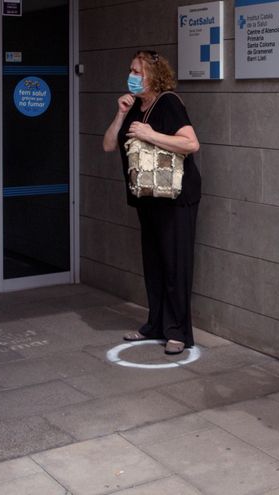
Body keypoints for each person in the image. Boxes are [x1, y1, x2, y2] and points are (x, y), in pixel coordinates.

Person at [102, 50, 201, 355]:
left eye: (137, 71)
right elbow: (108, 145)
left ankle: (178, 332)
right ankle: (155, 324)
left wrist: (150, 133)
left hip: (175, 197)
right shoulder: (133, 107)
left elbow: (191, 143)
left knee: (175, 265)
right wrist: (120, 113)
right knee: (155, 263)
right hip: (147, 198)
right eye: (131, 70)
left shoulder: (168, 102)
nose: (131, 76)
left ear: (153, 76)